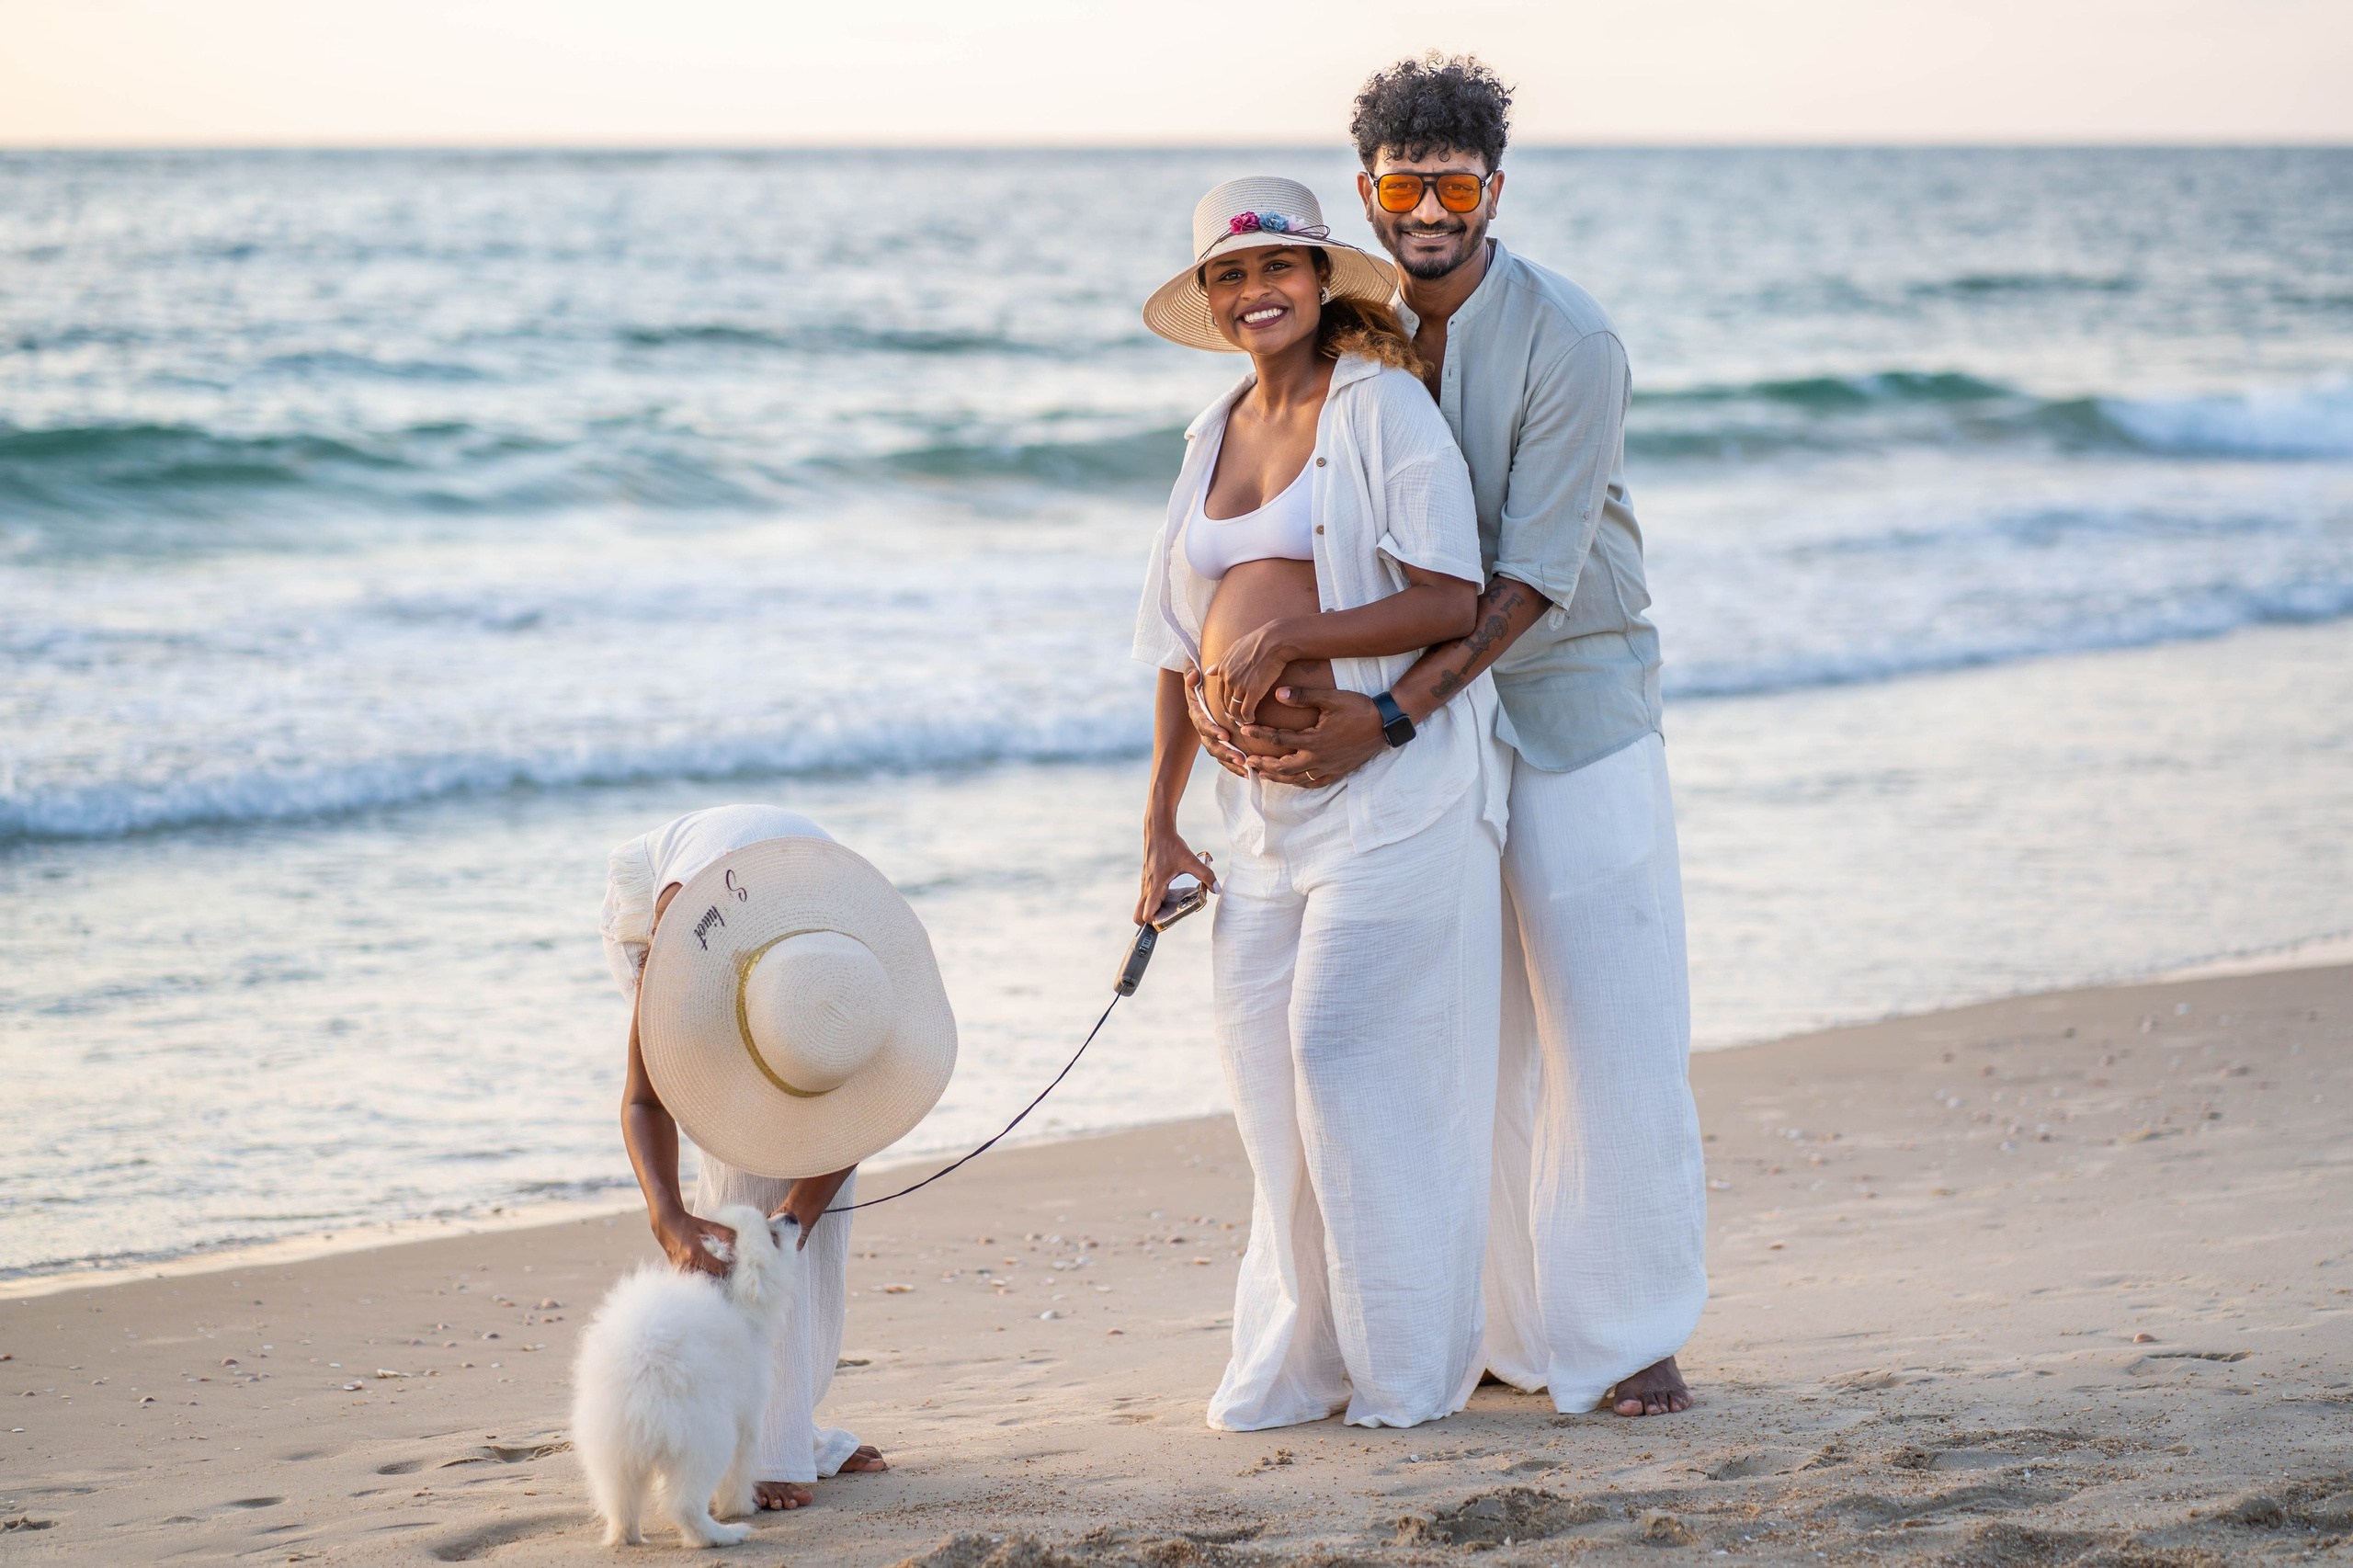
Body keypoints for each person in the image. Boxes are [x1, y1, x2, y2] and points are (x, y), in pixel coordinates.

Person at [1188, 58, 1707, 1419]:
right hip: (1429, 727)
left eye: (1454, 183)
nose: (1428, 208)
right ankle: (1506, 1327)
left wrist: (1391, 710)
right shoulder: (1356, 334)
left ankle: (1630, 1332)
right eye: (1403, 183)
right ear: (1367, 193)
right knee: (1476, 1037)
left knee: (1611, 1023)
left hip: (1569, 704)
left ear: (1492, 190)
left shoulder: (1570, 341)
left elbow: (1528, 581)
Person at [1133, 176, 1508, 1431]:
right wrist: (1158, 828)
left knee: (1339, 1055)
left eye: (1278, 267)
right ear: (1209, 297)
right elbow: (1175, 652)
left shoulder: (1384, 408)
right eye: (1231, 276)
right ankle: (1306, 1359)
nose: (1256, 292)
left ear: (1322, 276)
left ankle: (1409, 1364)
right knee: (1263, 1083)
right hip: (1255, 824)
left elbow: (1452, 597)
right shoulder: (1211, 435)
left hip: (1393, 791)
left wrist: (1297, 629)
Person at [600, 805, 956, 1505]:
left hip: (807, 928)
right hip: (695, 916)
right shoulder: (674, 960)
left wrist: (798, 1218)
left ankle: (789, 1425)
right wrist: (667, 1216)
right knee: (740, 1192)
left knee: (799, 1223)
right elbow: (647, 1099)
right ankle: (731, 1444)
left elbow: (856, 1104)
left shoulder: (855, 987)